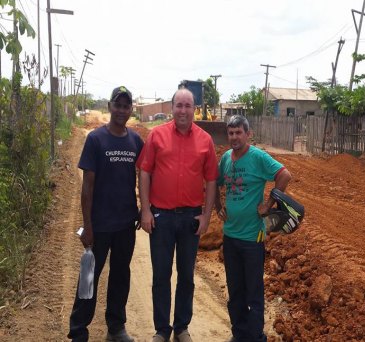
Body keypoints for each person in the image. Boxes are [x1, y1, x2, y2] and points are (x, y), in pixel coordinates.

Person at [137, 88, 218, 342]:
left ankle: (181, 327)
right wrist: (146, 209)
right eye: (179, 105)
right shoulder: (156, 136)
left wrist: (206, 216)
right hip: (161, 217)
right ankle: (162, 330)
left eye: (188, 106)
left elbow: (212, 180)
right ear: (172, 108)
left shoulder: (205, 140)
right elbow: (145, 172)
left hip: (190, 219)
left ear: (194, 109)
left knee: (186, 276)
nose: (183, 111)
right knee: (161, 275)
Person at [68, 86, 144, 342]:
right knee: (89, 276)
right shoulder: (95, 139)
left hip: (125, 224)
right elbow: (87, 186)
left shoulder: (135, 141)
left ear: (130, 109)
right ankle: (78, 330)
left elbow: (147, 174)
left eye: (126, 106)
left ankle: (116, 327)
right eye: (117, 105)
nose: (122, 110)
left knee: (121, 275)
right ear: (110, 107)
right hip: (99, 225)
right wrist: (87, 225)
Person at [215, 115, 292, 342]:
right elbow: (216, 182)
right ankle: (239, 334)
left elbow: (284, 175)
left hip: (252, 237)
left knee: (254, 293)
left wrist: (269, 204)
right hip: (230, 235)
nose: (234, 137)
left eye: (239, 132)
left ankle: (255, 336)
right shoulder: (226, 158)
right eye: (231, 133)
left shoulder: (258, 157)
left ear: (248, 134)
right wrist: (218, 206)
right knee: (235, 291)